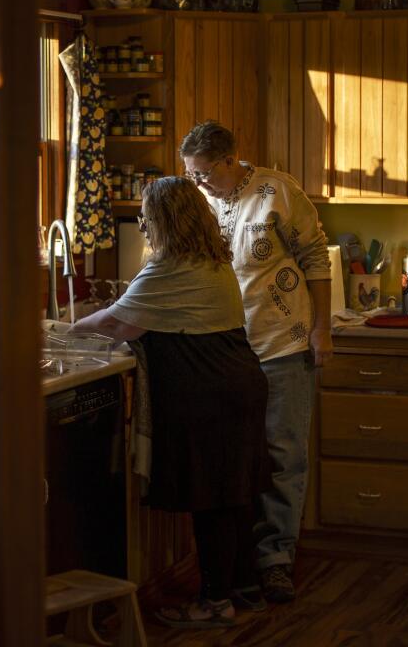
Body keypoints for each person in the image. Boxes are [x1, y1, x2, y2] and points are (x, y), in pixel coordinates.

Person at [69, 176, 271, 629]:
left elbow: (118, 322)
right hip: (238, 386)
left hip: (208, 394)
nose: (142, 224)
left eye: (146, 216)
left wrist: (65, 329)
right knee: (234, 497)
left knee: (212, 500)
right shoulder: (212, 260)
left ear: (164, 219)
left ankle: (215, 605)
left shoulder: (170, 268)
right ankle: (243, 590)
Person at [179, 121, 332, 604]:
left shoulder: (277, 192)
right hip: (223, 349)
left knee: (284, 454)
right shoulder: (198, 200)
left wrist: (322, 329)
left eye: (202, 172)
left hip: (282, 343)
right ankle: (241, 567)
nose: (196, 181)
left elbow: (317, 261)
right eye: (189, 174)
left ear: (229, 161)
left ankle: (276, 562)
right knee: (235, 459)